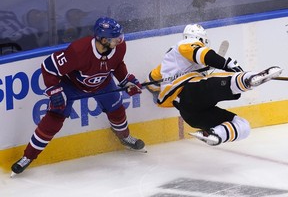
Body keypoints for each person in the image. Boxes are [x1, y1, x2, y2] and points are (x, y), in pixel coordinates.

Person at [11, 17, 145, 175]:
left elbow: (116, 64)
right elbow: (48, 68)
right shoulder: (78, 51)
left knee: (117, 109)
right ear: (102, 39)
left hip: (102, 82)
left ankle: (124, 137)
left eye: (119, 36)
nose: (119, 40)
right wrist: (55, 91)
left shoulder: (120, 47)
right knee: (54, 118)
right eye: (115, 38)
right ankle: (28, 156)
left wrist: (126, 81)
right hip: (71, 86)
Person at [146, 24, 282, 146]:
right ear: (199, 39)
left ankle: (215, 134)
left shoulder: (167, 62)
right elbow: (205, 55)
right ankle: (249, 79)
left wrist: (155, 92)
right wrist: (227, 64)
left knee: (243, 125)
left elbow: (151, 80)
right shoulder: (185, 44)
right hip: (190, 92)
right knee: (216, 83)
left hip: (189, 113)